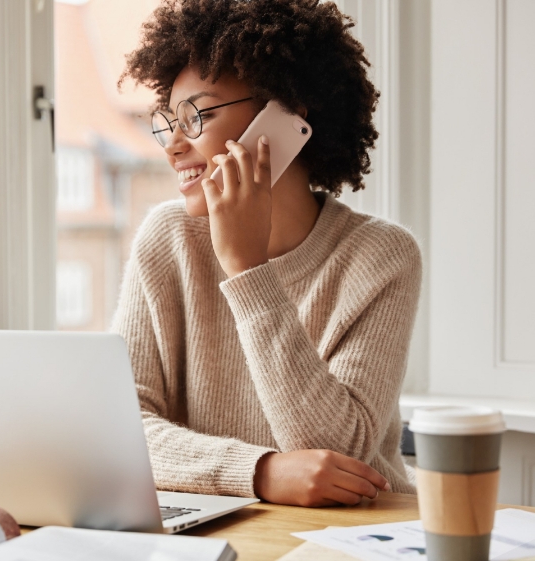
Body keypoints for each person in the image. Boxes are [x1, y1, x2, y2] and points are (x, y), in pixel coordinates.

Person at [111, 0, 421, 507]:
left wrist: (246, 269)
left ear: (284, 116)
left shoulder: (381, 256)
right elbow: (119, 428)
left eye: (197, 115)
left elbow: (337, 460)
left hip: (355, 534)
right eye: (170, 120)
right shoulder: (167, 240)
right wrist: (259, 472)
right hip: (222, 527)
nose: (173, 146)